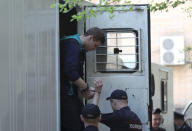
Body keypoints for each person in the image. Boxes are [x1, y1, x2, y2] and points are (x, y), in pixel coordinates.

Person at [60, 27, 105, 131]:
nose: (94, 49)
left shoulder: (77, 47)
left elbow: (77, 73)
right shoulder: (72, 44)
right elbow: (70, 72)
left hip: (69, 92)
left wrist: (84, 89)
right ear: (90, 37)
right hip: (65, 94)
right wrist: (85, 88)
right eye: (95, 45)